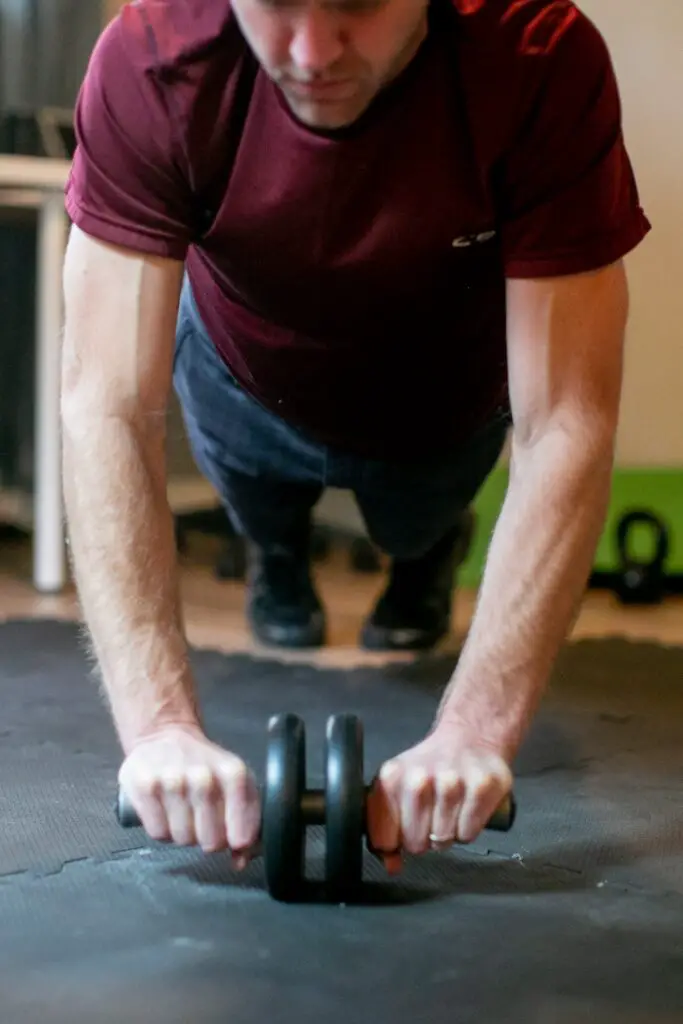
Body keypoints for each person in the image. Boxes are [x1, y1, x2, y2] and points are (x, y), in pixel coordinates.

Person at [60, 0, 650, 871]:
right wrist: (157, 730)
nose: (308, 53)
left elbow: (564, 418)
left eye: (358, 5)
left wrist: (474, 732)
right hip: (239, 368)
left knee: (410, 525)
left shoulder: (539, 57)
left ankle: (423, 559)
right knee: (261, 513)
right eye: (274, 4)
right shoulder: (154, 56)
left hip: (438, 399)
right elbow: (105, 403)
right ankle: (279, 555)